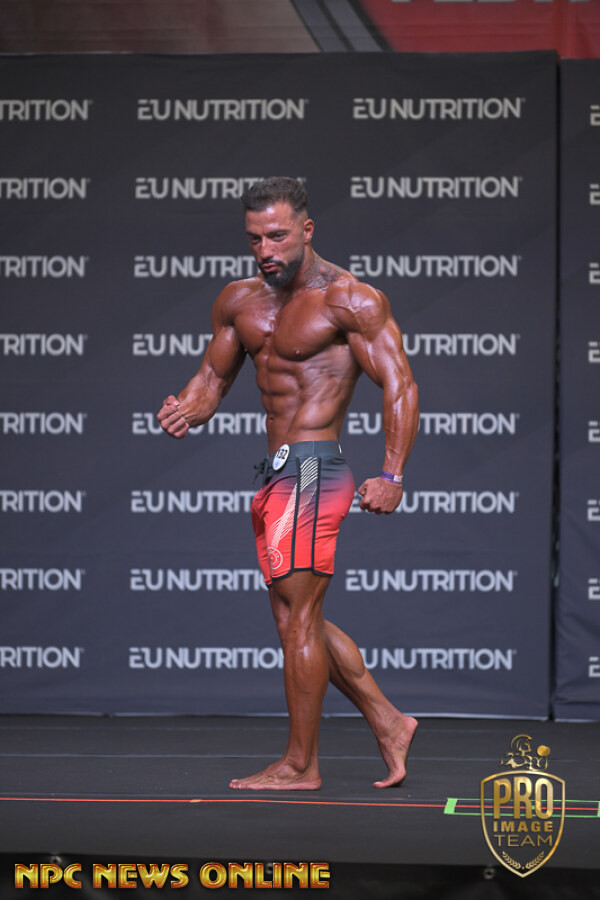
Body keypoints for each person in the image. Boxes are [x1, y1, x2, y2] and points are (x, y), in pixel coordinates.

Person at [157, 176, 419, 791]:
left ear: (307, 229)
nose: (265, 249)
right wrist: (188, 407)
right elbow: (212, 379)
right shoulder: (239, 301)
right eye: (255, 238)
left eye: (277, 236)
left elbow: (400, 384)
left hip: (313, 466)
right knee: (296, 617)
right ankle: (389, 721)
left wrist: (392, 474)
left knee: (298, 617)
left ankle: (301, 765)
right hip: (276, 469)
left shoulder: (349, 300)